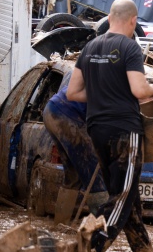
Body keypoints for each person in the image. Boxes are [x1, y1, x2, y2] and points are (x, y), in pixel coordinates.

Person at [66, 0, 153, 252]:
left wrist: (100, 95)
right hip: (125, 130)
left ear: (110, 18)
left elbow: (73, 93)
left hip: (97, 129)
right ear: (133, 21)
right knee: (121, 198)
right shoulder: (129, 47)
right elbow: (140, 90)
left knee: (127, 197)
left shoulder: (90, 47)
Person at [43, 72, 108, 204]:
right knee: (96, 180)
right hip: (66, 114)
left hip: (52, 109)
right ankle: (101, 223)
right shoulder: (118, 91)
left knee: (73, 177)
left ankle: (61, 223)